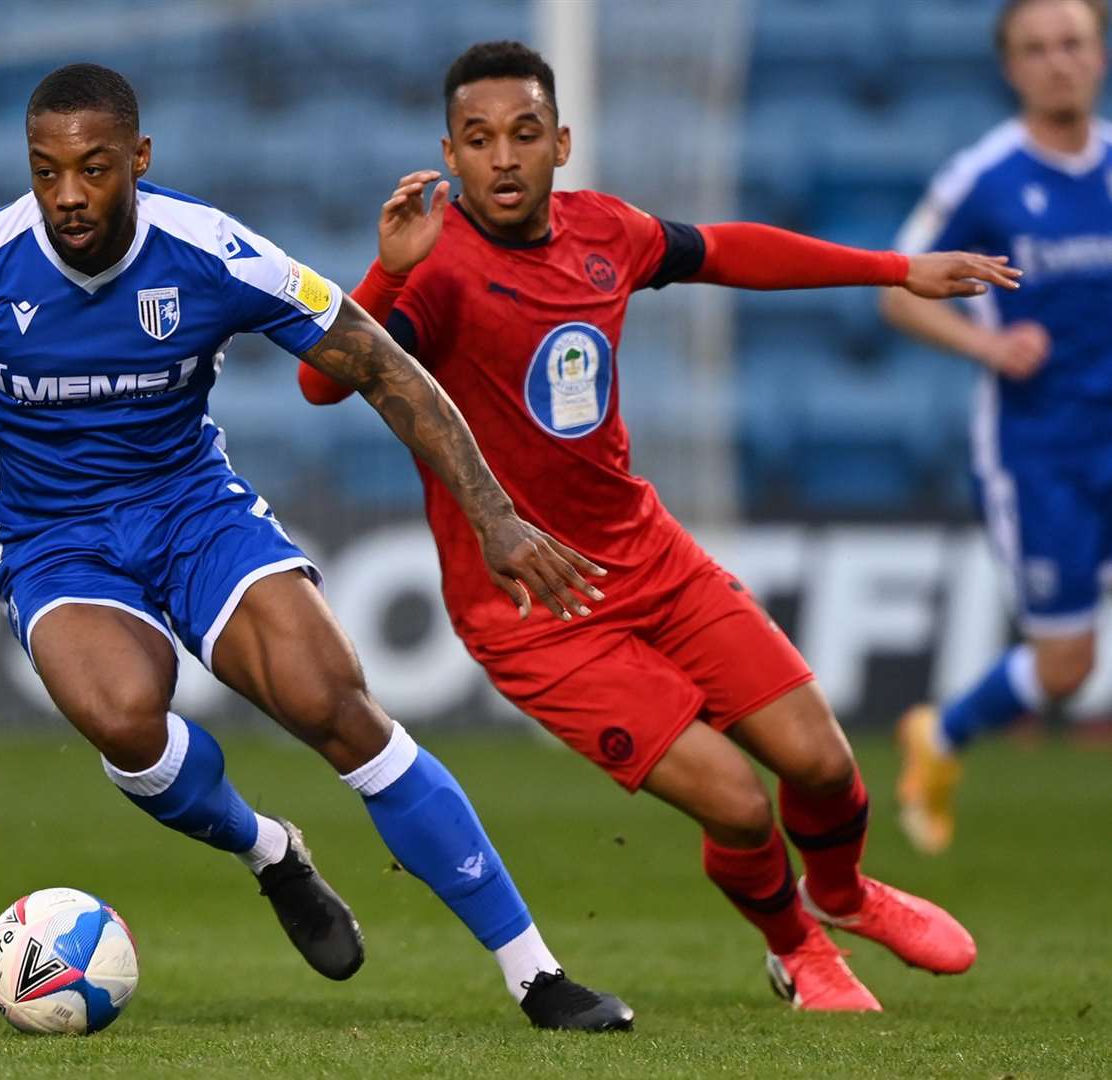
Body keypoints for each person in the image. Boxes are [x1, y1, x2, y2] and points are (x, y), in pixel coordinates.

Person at [0, 63, 634, 1031]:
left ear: (140, 158)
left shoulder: (211, 252)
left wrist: (492, 515)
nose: (69, 197)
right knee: (126, 718)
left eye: (93, 169)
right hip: (56, 540)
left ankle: (536, 974)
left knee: (332, 703)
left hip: (193, 512)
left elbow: (383, 364)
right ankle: (270, 852)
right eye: (46, 173)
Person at [297, 41, 1015, 1011]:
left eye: (521, 135)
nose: (502, 158)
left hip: (648, 555)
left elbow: (728, 251)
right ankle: (798, 948)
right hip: (531, 609)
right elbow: (318, 383)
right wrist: (382, 278)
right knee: (738, 803)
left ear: (561, 142)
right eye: (477, 140)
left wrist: (895, 268)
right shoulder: (437, 274)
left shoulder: (609, 232)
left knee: (825, 765)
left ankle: (843, 895)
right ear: (449, 156)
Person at [883, 0, 1112, 855]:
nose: (1058, 61)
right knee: (1066, 668)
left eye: (1073, 44)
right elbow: (896, 288)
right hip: (1039, 452)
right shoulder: (983, 177)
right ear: (1012, 67)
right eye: (1038, 49)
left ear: (1099, 56)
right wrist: (987, 344)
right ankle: (938, 738)